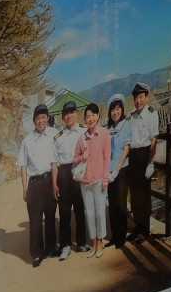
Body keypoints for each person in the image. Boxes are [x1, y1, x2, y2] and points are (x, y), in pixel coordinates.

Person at [16, 105, 59, 268]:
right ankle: (36, 254)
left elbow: (55, 162)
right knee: (35, 221)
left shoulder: (54, 135)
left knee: (50, 217)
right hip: (34, 184)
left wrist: (55, 184)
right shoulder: (27, 141)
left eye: (43, 117)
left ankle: (51, 248)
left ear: (47, 119)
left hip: (49, 181)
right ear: (34, 121)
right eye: (38, 118)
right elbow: (22, 166)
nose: (41, 121)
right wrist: (24, 188)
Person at [119, 84, 160, 242]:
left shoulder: (152, 114)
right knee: (135, 195)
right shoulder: (131, 116)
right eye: (136, 98)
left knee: (144, 195)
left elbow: (154, 140)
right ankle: (138, 227)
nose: (138, 101)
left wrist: (151, 163)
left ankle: (145, 229)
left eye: (141, 97)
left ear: (146, 97)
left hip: (145, 155)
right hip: (133, 157)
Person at [75, 102, 113, 259]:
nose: (90, 119)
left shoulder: (104, 134)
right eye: (87, 116)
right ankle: (93, 244)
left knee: (99, 213)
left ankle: (101, 242)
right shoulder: (82, 138)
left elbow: (107, 158)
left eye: (92, 115)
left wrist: (105, 179)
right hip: (85, 182)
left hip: (99, 181)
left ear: (97, 116)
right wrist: (81, 157)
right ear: (85, 119)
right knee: (89, 214)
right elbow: (74, 159)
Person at [52, 101, 85, 260]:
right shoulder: (58, 136)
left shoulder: (84, 131)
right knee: (64, 212)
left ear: (76, 114)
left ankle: (81, 242)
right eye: (66, 114)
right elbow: (54, 162)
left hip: (80, 172)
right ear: (62, 117)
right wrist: (54, 183)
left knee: (80, 210)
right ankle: (65, 245)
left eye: (71, 112)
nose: (69, 116)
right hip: (64, 174)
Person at [104, 95, 130, 247]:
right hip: (109, 171)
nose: (115, 112)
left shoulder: (126, 125)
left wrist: (116, 170)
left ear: (122, 110)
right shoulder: (108, 129)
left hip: (121, 170)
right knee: (112, 204)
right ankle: (114, 235)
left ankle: (121, 236)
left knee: (121, 204)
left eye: (118, 109)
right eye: (113, 110)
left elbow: (126, 149)